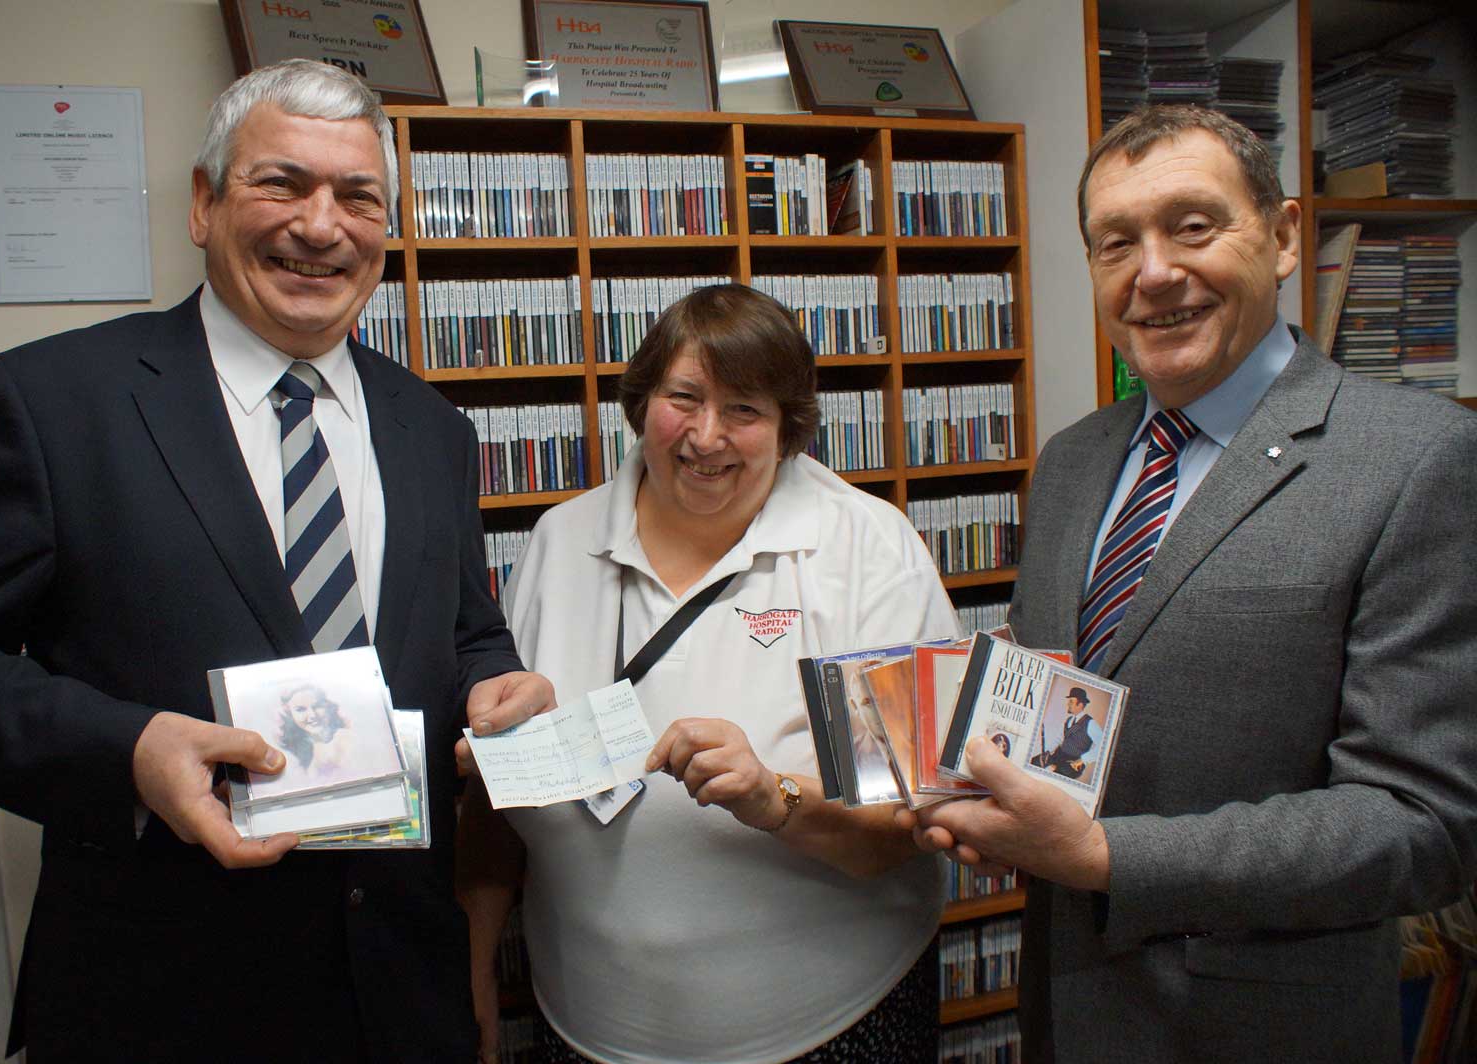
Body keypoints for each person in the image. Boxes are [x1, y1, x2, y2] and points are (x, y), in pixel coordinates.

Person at [0, 59, 553, 1062]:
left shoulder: (433, 428)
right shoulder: (57, 404)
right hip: (160, 999)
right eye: (282, 182)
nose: (322, 225)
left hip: (402, 990)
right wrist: (131, 750)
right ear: (203, 204)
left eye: (358, 196)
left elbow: (462, 630)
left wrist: (497, 682)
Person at [900, 104, 1477, 1063]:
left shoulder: (1420, 461)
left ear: (1285, 236)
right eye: (1115, 242)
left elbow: (1424, 825)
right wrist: (981, 791)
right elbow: (1052, 704)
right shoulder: (1073, 461)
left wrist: (1104, 859)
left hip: (1259, 1026)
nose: (1154, 272)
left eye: (1194, 226)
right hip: (1066, 1009)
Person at [458, 284, 961, 1064]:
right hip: (590, 1034)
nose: (705, 436)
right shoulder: (561, 541)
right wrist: (477, 967)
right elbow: (494, 799)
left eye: (745, 411)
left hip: (832, 1029)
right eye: (683, 398)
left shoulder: (869, 551)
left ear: (790, 431)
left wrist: (775, 799)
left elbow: (906, 828)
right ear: (641, 403)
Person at [1028, 688, 1100, 781]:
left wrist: (1083, 760)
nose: (1068, 704)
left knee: (1052, 778)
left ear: (1080, 705)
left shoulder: (1090, 723)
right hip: (1058, 755)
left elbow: (1103, 746)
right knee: (1034, 762)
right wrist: (1046, 752)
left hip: (1072, 762)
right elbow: (1059, 739)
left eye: (1071, 702)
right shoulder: (1068, 720)